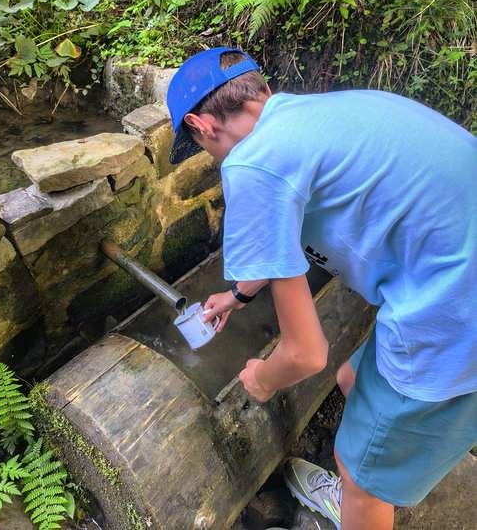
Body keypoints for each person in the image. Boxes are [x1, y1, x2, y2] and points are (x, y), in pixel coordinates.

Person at [165, 46, 477, 530]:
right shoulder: (312, 114)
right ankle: (371, 468)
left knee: (360, 473)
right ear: (259, 89)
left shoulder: (249, 162)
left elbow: (307, 354)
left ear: (200, 125)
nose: (211, 156)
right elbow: (280, 233)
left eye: (201, 145)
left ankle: (358, 494)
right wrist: (238, 295)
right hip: (452, 271)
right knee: (352, 379)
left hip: (455, 313)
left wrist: (261, 380)